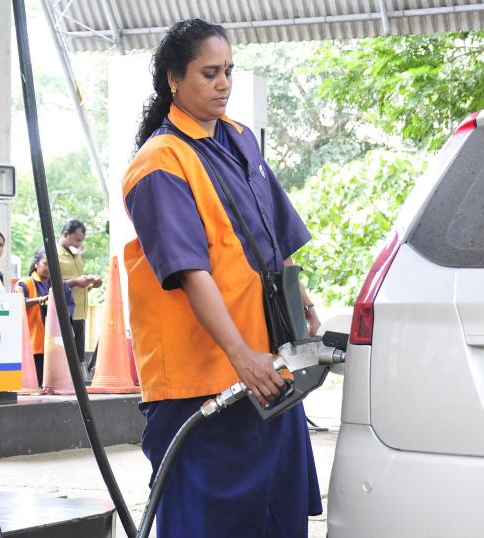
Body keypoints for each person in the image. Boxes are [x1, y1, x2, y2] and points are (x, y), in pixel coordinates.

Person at [122, 19, 322, 538]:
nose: (223, 84)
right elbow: (190, 271)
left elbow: (271, 235)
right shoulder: (159, 162)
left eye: (228, 71)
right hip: (205, 379)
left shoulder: (239, 138)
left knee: (277, 511)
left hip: (266, 365)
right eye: (209, 73)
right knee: (209, 522)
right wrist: (240, 356)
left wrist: (300, 299)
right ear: (173, 79)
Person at [15, 248, 75, 387]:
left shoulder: (60, 285)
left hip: (53, 347)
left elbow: (70, 305)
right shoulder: (24, 283)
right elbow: (18, 303)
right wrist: (41, 300)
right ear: (36, 264)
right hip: (32, 345)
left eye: (53, 264)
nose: (50, 268)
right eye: (46, 263)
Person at [57, 219, 102, 366]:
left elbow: (76, 286)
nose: (78, 245)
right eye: (76, 240)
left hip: (80, 314)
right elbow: (51, 287)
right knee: (65, 358)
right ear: (65, 234)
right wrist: (76, 281)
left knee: (78, 357)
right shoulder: (53, 255)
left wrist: (90, 285)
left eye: (81, 241)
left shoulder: (76, 255)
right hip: (66, 314)